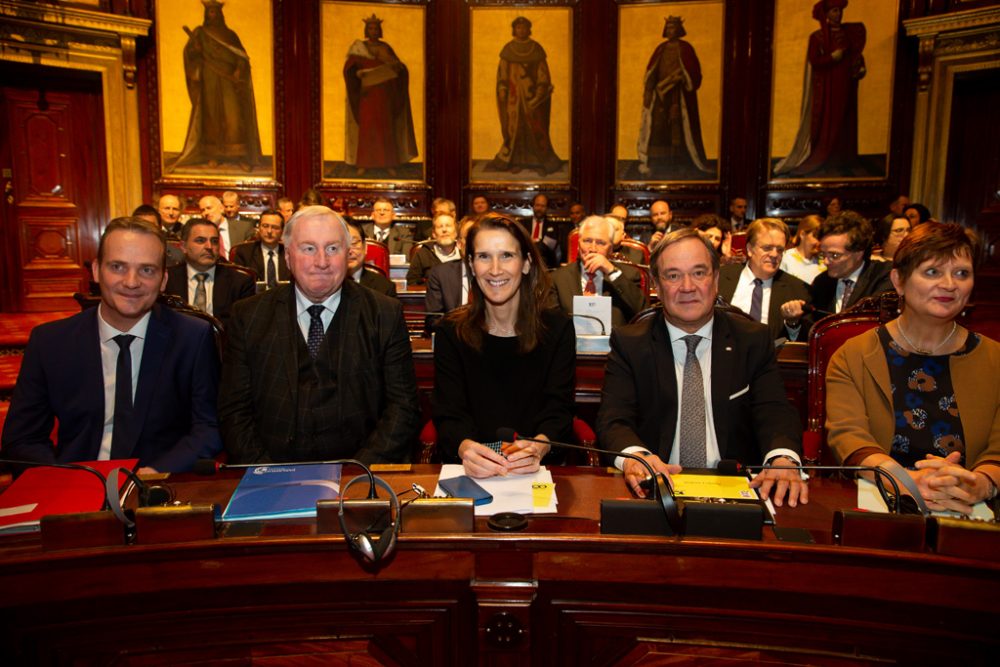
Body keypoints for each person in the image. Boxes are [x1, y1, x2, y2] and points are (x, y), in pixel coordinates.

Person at [597, 228, 807, 507]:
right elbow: (614, 419)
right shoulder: (631, 344)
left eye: (699, 273)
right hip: (658, 489)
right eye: (673, 275)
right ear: (657, 287)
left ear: (716, 279)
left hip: (738, 492)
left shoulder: (752, 340)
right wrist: (637, 458)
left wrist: (782, 458)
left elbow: (774, 410)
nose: (687, 287)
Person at [1, 217, 222, 473]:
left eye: (147, 270)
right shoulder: (51, 342)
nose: (131, 282)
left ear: (163, 280)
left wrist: (159, 472)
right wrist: (66, 479)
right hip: (75, 486)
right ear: (96, 271)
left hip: (157, 487)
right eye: (117, 267)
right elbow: (22, 439)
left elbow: (209, 427)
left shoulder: (192, 338)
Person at [218, 205, 419, 464]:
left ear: (348, 255)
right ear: (288, 256)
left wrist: (358, 473)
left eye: (333, 249)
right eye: (309, 248)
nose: (322, 261)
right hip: (271, 479)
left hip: (359, 476)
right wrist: (266, 473)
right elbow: (234, 412)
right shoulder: (248, 316)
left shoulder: (384, 314)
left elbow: (403, 409)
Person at [826, 222, 1000, 514]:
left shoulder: (994, 359)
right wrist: (907, 480)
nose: (949, 284)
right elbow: (848, 437)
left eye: (961, 273)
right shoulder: (854, 355)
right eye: (932, 272)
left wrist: (980, 484)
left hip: (972, 510)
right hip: (880, 503)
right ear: (899, 281)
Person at [433, 213, 575, 478]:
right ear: (472, 265)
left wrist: (539, 447)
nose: (495, 269)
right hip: (470, 470)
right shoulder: (449, 332)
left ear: (526, 263)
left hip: (537, 469)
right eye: (484, 256)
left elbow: (559, 411)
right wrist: (466, 449)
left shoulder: (558, 329)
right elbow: (449, 414)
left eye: (507, 255)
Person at [774, 0, 866, 177]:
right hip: (827, 86)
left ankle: (843, 159)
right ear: (827, 14)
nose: (838, 14)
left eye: (839, 10)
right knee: (828, 120)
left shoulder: (849, 34)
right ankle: (823, 157)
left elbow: (855, 54)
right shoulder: (817, 37)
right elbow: (815, 61)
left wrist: (860, 66)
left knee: (845, 118)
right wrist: (832, 57)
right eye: (834, 11)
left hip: (846, 82)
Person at [172, 0, 262, 173]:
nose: (212, 15)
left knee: (233, 118)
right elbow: (190, 54)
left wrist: (238, 70)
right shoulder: (200, 34)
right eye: (210, 12)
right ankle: (213, 155)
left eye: (215, 12)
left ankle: (239, 156)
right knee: (211, 118)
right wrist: (195, 51)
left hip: (229, 82)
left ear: (220, 14)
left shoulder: (230, 35)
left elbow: (242, 57)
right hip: (210, 80)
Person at [781, 211, 893, 331]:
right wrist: (793, 322)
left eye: (834, 255)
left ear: (858, 252)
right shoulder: (822, 283)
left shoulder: (882, 276)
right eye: (823, 254)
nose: (826, 261)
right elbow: (810, 330)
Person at [343, 13, 418, 177]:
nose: (373, 31)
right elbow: (349, 69)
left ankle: (389, 164)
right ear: (366, 30)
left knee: (385, 129)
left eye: (376, 28)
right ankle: (364, 164)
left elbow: (399, 68)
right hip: (367, 96)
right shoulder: (359, 48)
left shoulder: (386, 48)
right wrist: (358, 73)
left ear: (380, 30)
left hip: (385, 95)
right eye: (370, 28)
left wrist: (395, 66)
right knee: (368, 130)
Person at [637, 16, 712, 178]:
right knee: (658, 129)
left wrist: (681, 78)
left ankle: (682, 164)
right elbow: (652, 72)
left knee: (678, 128)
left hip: (679, 96)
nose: (670, 30)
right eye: (668, 27)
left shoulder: (686, 49)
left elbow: (694, 73)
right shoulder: (660, 49)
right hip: (660, 96)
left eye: (673, 27)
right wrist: (649, 91)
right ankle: (658, 165)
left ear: (679, 30)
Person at [488, 17, 562, 176]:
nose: (521, 30)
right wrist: (502, 87)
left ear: (529, 29)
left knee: (536, 128)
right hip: (513, 100)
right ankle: (516, 162)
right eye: (518, 28)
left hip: (533, 99)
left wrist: (540, 93)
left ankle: (539, 162)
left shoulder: (536, 49)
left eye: (524, 27)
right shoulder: (508, 49)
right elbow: (503, 72)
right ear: (514, 30)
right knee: (515, 129)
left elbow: (543, 74)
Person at [718, 218, 811, 340]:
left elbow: (805, 343)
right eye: (767, 248)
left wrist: (792, 323)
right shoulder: (719, 278)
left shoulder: (798, 290)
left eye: (779, 250)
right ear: (750, 249)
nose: (774, 255)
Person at [550, 215, 648, 330]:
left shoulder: (627, 275)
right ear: (578, 244)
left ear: (611, 249)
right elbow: (552, 326)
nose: (592, 248)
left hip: (614, 345)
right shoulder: (557, 278)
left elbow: (642, 312)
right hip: (572, 344)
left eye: (601, 243)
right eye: (587, 241)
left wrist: (611, 271)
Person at [164, 218, 256, 328]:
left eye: (214, 241)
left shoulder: (240, 282)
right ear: (183, 247)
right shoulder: (166, 279)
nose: (209, 247)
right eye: (200, 241)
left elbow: (244, 328)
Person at [425, 218, 476, 332]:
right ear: (459, 244)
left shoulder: (498, 273)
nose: (475, 242)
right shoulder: (440, 274)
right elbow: (432, 320)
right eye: (470, 237)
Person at [231, 209, 291, 288]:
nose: (269, 231)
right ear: (259, 228)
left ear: (282, 231)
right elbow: (237, 285)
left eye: (275, 227)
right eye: (265, 226)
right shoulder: (244, 252)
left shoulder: (290, 253)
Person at [346, 216, 396, 298]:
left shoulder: (384, 287)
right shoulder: (321, 285)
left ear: (365, 247)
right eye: (342, 244)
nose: (349, 251)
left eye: (354, 243)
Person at [407, 213, 461, 285]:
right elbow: (412, 282)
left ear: (456, 232)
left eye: (448, 226)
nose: (444, 230)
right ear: (434, 234)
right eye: (440, 227)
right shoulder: (423, 254)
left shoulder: (464, 252)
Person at [199, 195, 252, 260]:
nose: (206, 212)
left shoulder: (244, 227)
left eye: (209, 208)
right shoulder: (200, 233)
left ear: (221, 208)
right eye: (202, 210)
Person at [779, 214, 826, 284]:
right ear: (802, 234)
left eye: (822, 238)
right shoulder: (786, 259)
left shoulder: (824, 262)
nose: (819, 242)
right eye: (816, 237)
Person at [522, 193, 560, 268]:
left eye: (543, 206)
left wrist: (536, 243)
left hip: (545, 260)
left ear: (547, 208)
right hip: (526, 257)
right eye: (537, 205)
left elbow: (551, 245)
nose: (539, 208)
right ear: (533, 206)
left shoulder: (553, 226)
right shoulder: (523, 224)